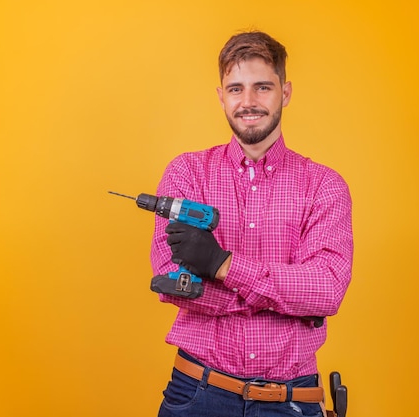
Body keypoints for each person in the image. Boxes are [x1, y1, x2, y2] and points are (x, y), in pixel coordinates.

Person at [150, 30, 353, 417]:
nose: (248, 102)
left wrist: (222, 266)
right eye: (236, 88)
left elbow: (326, 290)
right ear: (221, 96)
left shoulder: (325, 185)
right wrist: (287, 300)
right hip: (197, 393)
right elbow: (169, 281)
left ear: (285, 92)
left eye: (262, 87)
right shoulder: (186, 174)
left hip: (292, 401)